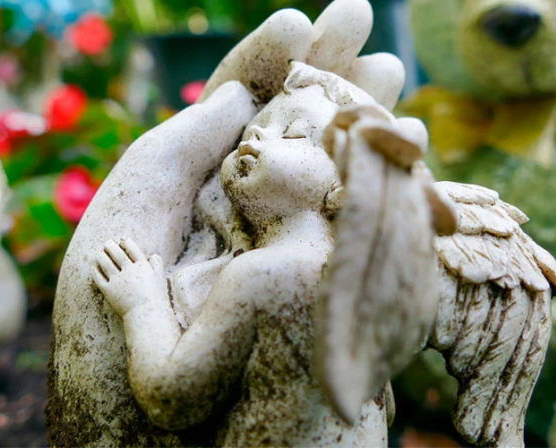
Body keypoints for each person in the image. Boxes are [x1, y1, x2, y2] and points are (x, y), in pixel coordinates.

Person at [92, 63, 390, 447]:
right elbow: (384, 408)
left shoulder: (264, 272)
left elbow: (172, 398)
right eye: (253, 130)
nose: (259, 134)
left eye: (294, 133)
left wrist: (141, 303)